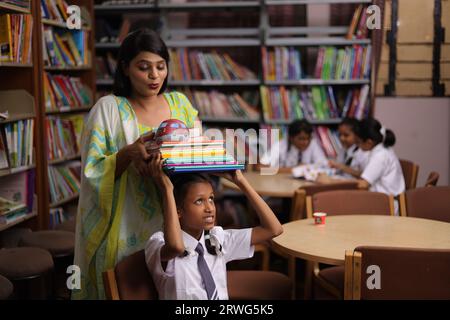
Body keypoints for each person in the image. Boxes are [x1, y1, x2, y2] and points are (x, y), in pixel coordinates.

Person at [72, 28, 199, 299]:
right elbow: (91, 172)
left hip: (176, 226)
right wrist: (128, 154)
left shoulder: (181, 105)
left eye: (160, 67)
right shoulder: (108, 109)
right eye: (144, 67)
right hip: (124, 227)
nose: (154, 76)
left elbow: (197, 157)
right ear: (125, 68)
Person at [144, 155, 283, 300]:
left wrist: (241, 182)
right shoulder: (158, 242)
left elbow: (274, 229)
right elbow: (176, 247)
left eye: (211, 198)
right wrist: (166, 189)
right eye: (199, 201)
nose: (210, 208)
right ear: (177, 211)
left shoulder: (216, 238)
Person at [357, 118, 405, 198]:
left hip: (387, 204)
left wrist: (336, 182)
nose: (357, 145)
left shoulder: (380, 156)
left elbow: (363, 185)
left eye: (358, 142)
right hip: (386, 199)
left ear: (369, 142)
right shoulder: (383, 149)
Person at [259, 119, 327, 174]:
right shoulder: (281, 145)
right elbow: (261, 167)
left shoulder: (313, 144)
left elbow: (324, 165)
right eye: (301, 139)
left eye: (308, 138)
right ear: (291, 138)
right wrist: (295, 169)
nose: (305, 142)